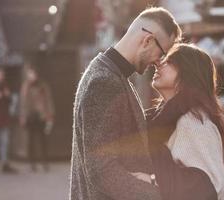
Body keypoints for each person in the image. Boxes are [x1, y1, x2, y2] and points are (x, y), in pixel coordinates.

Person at [69, 7, 181, 200]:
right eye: (162, 54)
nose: (158, 63)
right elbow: (101, 170)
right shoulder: (104, 81)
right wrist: (159, 194)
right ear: (147, 41)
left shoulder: (110, 75)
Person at [133, 43, 224, 200]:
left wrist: (151, 180)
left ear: (188, 72)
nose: (158, 64)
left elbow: (214, 186)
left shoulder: (194, 121)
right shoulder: (163, 118)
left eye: (169, 62)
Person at [20, 66, 54, 172]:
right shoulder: (25, 86)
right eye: (29, 74)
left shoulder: (43, 86)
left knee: (42, 140)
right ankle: (32, 162)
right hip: (30, 116)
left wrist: (50, 114)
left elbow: (48, 100)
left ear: (36, 74)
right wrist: (22, 116)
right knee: (30, 140)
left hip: (41, 115)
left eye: (32, 73)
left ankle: (44, 162)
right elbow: (23, 103)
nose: (31, 76)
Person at [0, 67, 16, 173]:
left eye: (2, 75)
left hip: (4, 119)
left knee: (4, 142)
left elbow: (11, 101)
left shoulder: (5, 86)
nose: (0, 77)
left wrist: (8, 96)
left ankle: (4, 163)